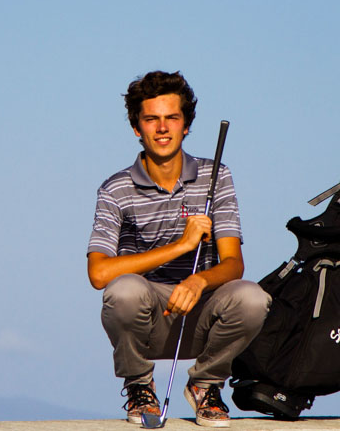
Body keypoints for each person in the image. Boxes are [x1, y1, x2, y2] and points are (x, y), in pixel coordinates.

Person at [87, 71, 271, 428]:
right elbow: (98, 274)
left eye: (172, 118)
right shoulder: (115, 189)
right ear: (136, 128)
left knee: (252, 297)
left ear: (186, 126)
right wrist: (181, 246)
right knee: (123, 290)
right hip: (150, 321)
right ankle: (140, 385)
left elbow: (234, 264)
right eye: (151, 119)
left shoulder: (216, 175)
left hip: (202, 316)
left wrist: (199, 282)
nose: (162, 128)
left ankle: (205, 383)